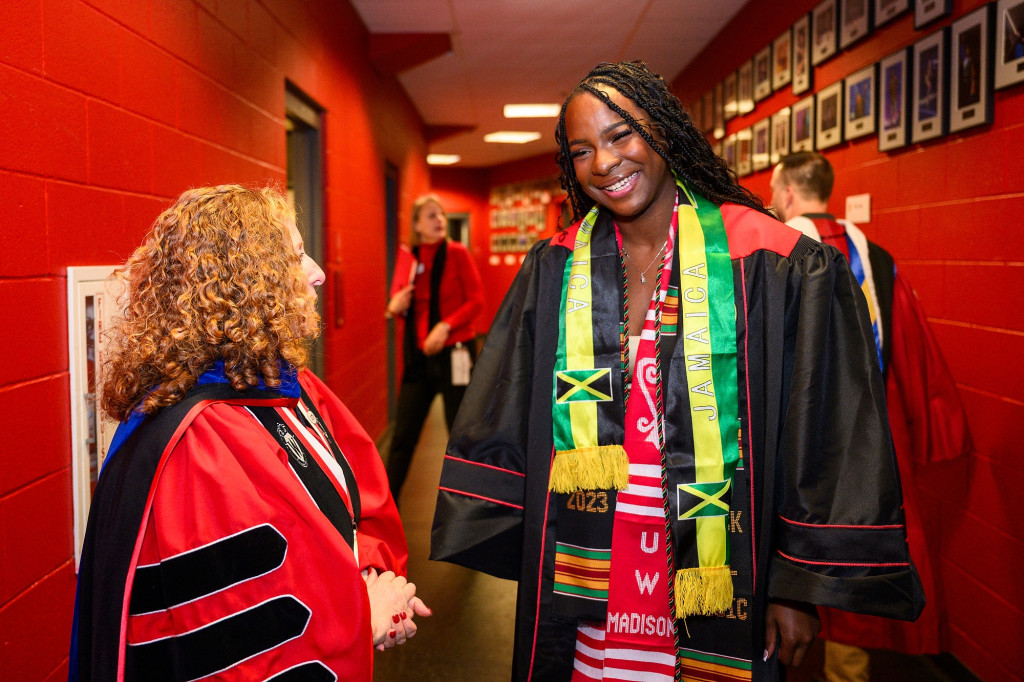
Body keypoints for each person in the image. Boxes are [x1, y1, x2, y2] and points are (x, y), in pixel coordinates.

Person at [430, 61, 924, 681]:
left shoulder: (770, 260)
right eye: (581, 150)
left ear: (662, 130)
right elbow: (507, 410)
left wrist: (796, 586)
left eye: (621, 135)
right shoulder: (555, 268)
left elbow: (822, 428)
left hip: (714, 567)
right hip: (593, 570)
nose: (603, 163)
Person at [70, 185, 430, 681]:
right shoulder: (200, 444)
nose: (319, 273)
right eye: (297, 255)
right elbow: (237, 637)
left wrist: (373, 576)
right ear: (247, 281)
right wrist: (363, 616)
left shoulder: (292, 389)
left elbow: (351, 507)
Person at [770, 152, 971, 682]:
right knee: (855, 550)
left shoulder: (769, 250)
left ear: (789, 192)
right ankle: (845, 669)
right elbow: (910, 352)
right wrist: (933, 428)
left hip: (789, 443)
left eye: (774, 190)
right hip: (865, 441)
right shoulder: (876, 257)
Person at [384, 194, 483, 501]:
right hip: (419, 359)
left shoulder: (456, 253)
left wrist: (445, 326)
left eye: (441, 214)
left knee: (461, 433)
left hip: (456, 353)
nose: (439, 220)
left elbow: (476, 301)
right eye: (430, 215)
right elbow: (397, 305)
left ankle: (469, 504)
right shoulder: (409, 258)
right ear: (416, 225)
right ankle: (386, 510)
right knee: (402, 437)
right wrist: (393, 307)